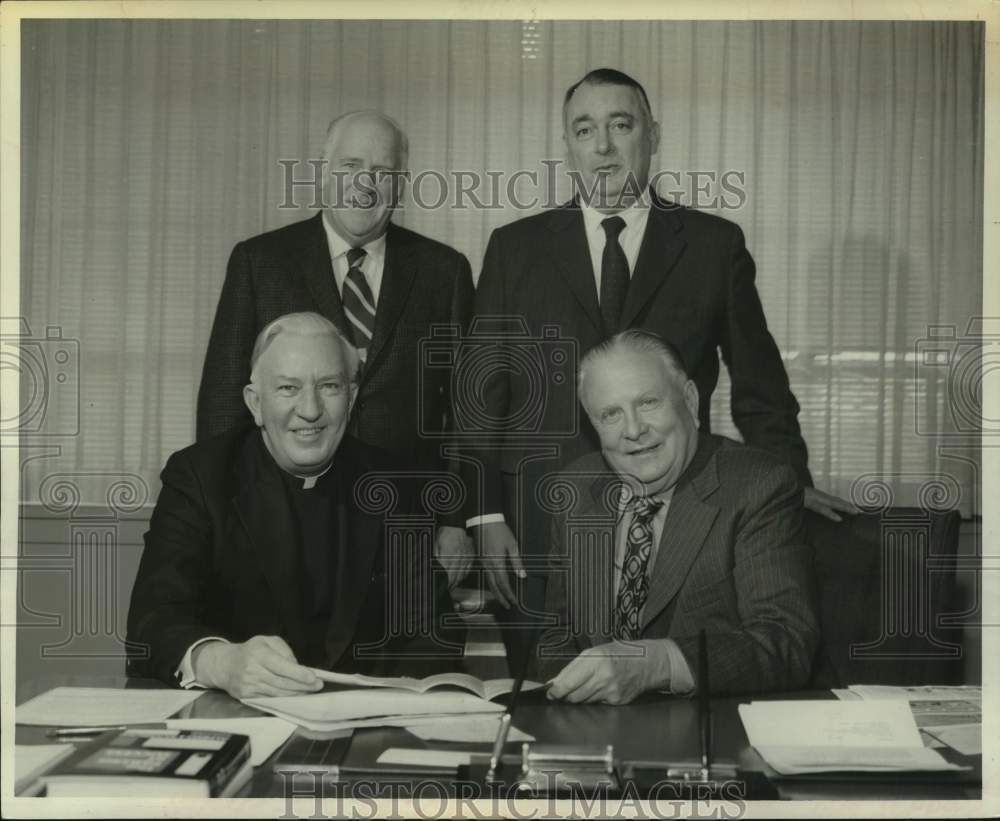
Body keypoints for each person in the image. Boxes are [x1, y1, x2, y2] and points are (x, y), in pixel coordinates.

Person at [469, 67, 851, 611]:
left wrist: (784, 484)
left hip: (684, 519)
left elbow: (760, 385)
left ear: (653, 135)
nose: (602, 146)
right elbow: (481, 399)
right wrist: (484, 515)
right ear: (567, 146)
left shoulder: (713, 246)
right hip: (538, 522)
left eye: (620, 125)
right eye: (584, 130)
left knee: (671, 678)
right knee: (545, 688)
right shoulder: (513, 250)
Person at [197, 110, 474, 585]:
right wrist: (225, 515)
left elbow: (467, 412)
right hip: (279, 519)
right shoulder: (259, 262)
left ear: (402, 183)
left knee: (399, 657)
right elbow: (224, 400)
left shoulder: (443, 272)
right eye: (349, 167)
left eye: (382, 172)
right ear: (323, 171)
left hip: (405, 526)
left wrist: (454, 520)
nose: (364, 184)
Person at [127, 313, 461, 698]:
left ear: (351, 398)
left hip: (366, 725)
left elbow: (432, 637)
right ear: (255, 403)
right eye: (288, 388)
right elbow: (151, 623)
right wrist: (222, 663)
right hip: (236, 719)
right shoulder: (200, 477)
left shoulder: (395, 485)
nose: (311, 410)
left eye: (329, 386)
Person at [534, 330, 819, 702]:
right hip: (596, 738)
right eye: (610, 414)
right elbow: (556, 637)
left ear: (689, 399)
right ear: (593, 425)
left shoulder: (757, 485)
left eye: (648, 402)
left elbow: (785, 644)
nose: (633, 430)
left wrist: (657, 664)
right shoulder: (575, 490)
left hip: (709, 734)